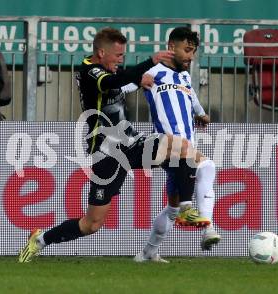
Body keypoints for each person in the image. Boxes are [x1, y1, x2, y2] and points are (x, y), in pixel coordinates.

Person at [18, 27, 202, 263]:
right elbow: (114, 81)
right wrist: (149, 63)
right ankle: (41, 239)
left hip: (131, 144)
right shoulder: (90, 72)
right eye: (118, 56)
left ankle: (185, 208)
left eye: (123, 56)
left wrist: (140, 79)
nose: (121, 60)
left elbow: (121, 79)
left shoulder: (108, 69)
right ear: (102, 53)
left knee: (182, 148)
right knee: (91, 224)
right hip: (107, 153)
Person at [134, 26, 221, 263]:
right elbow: (122, 86)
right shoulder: (152, 71)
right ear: (171, 47)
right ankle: (207, 229)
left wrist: (201, 114)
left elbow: (190, 96)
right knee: (208, 166)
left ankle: (148, 253)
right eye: (187, 50)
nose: (191, 57)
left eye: (193, 52)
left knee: (171, 208)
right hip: (166, 145)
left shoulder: (184, 76)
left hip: (186, 150)